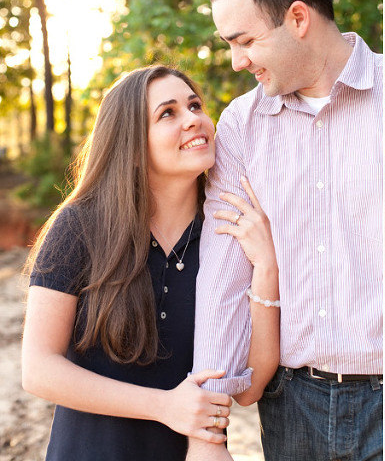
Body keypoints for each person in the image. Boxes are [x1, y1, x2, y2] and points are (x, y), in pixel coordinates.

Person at [21, 65, 279, 460]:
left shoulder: (227, 233)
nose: (194, 119)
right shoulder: (80, 226)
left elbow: (250, 386)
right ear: (133, 147)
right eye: (168, 113)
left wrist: (266, 268)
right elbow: (38, 369)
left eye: (195, 105)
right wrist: (163, 406)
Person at [186, 0, 384, 460]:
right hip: (290, 403)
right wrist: (209, 430)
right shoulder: (240, 126)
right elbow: (223, 273)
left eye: (245, 41)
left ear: (298, 18)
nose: (237, 60)